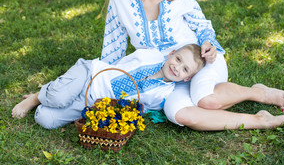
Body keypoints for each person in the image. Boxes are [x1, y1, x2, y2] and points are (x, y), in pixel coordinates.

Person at [99, 0, 284, 132]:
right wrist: (104, 84)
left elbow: (202, 24)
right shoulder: (120, 0)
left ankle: (257, 92)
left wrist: (208, 43)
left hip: (198, 59)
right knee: (181, 115)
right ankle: (261, 120)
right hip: (168, 75)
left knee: (205, 99)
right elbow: (113, 46)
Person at [11, 44, 206, 129]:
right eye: (178, 58)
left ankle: (52, 93)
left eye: (185, 69)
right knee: (58, 98)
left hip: (92, 103)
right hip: (90, 73)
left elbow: (140, 109)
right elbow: (121, 62)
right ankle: (36, 97)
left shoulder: (163, 94)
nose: (176, 67)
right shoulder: (151, 55)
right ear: (171, 53)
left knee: (45, 119)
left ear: (187, 78)